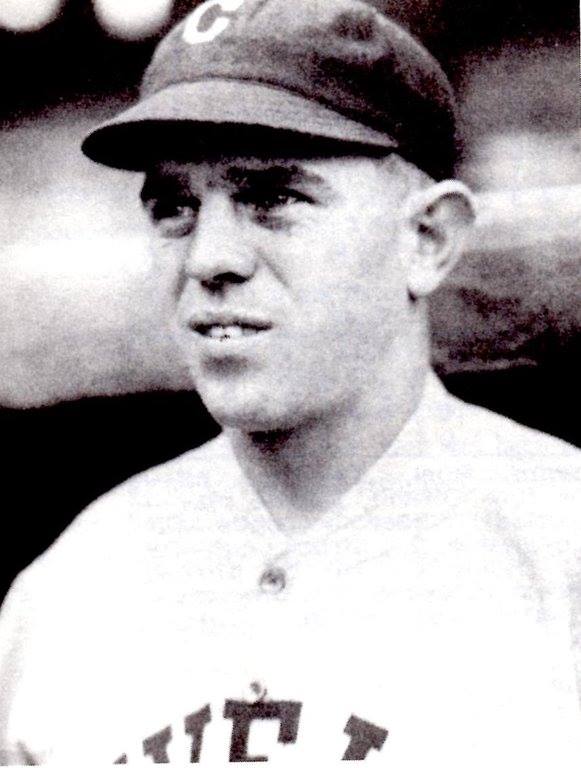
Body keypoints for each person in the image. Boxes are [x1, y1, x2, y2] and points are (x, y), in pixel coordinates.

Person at [1, 0, 580, 764]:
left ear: (426, 237)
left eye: (273, 198)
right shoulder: (70, 590)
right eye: (174, 207)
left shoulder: (559, 542)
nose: (209, 258)